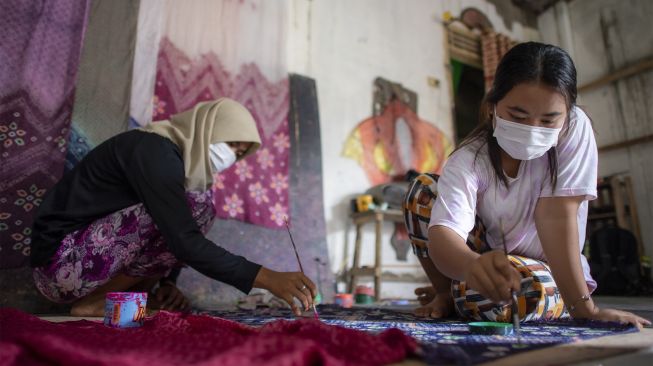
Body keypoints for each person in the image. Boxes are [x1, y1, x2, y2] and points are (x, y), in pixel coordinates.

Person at [403, 42, 650, 328]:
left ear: (567, 114)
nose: (533, 129)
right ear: (493, 106)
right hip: (490, 260)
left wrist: (586, 310)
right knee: (423, 189)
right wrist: (472, 265)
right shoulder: (470, 158)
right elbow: (444, 233)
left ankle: (464, 291)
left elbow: (556, 215)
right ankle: (447, 292)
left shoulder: (575, 129)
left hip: (546, 268)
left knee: (515, 294)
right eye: (518, 116)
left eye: (548, 120)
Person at [31, 99, 316, 317]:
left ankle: (134, 301)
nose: (231, 155)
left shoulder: (176, 165)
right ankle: (94, 304)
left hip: (86, 263)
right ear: (207, 127)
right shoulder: (154, 151)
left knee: (198, 204)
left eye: (239, 153)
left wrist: (166, 285)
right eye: (231, 143)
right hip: (59, 265)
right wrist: (266, 277)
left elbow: (177, 232)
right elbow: (183, 240)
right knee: (195, 206)